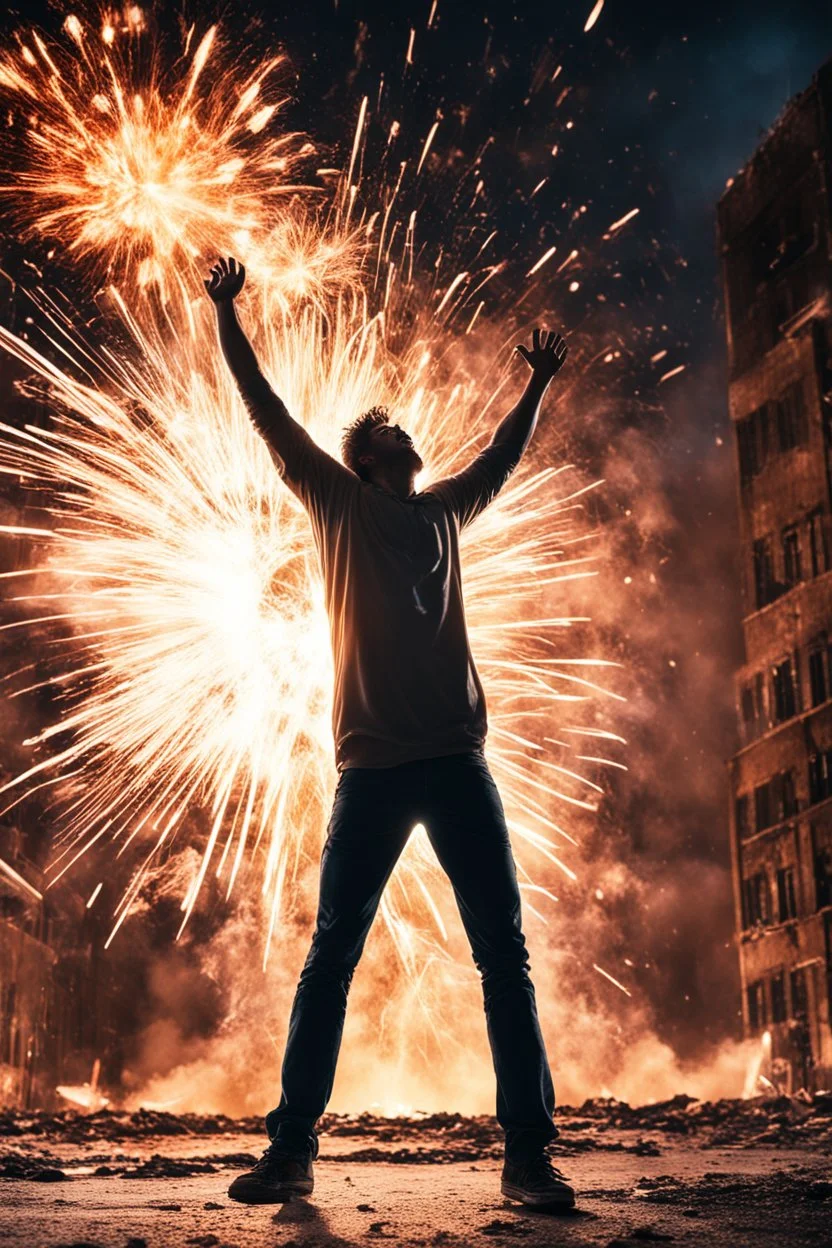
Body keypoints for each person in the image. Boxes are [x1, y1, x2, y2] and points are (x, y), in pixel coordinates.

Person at [204, 256, 573, 1211]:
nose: (410, 433)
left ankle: (529, 1157)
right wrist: (227, 315)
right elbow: (266, 413)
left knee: (505, 956)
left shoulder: (446, 511)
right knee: (333, 955)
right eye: (391, 431)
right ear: (368, 458)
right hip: (370, 770)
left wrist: (534, 386)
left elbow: (500, 457)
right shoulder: (338, 505)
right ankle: (290, 1150)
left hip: (457, 764)